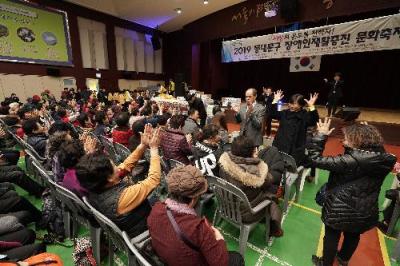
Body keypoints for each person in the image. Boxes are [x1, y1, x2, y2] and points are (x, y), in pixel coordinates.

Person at [308, 119, 397, 266]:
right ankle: (343, 259)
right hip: (365, 208)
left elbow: (314, 159)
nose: (344, 140)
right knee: (353, 235)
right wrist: (368, 134)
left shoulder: (350, 160)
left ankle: (325, 263)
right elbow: (375, 151)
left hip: (340, 206)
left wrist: (321, 136)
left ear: (358, 141)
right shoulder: (383, 159)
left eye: (348, 138)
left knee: (331, 236)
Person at [147, 165, 244, 266]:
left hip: (168, 260)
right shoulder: (198, 228)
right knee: (237, 258)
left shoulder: (156, 209)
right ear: (193, 199)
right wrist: (220, 240)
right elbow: (221, 263)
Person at [76, 125, 161, 238]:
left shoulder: (95, 183)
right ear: (109, 178)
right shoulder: (122, 198)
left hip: (130, 220)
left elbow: (126, 165)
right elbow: (153, 180)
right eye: (114, 166)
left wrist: (143, 145)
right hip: (144, 231)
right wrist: (154, 149)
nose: (118, 166)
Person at [219, 136, 283, 237]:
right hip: (246, 214)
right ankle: (275, 227)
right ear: (253, 151)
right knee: (271, 199)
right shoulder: (257, 172)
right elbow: (269, 181)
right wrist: (257, 159)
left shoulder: (224, 162)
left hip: (225, 205)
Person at [271, 90, 319, 165]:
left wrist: (311, 106)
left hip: (295, 149)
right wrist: (275, 101)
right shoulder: (285, 113)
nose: (291, 105)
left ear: (301, 105)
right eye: (290, 103)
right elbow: (272, 114)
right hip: (280, 146)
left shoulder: (304, 115)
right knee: (275, 165)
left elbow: (313, 121)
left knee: (292, 170)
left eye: (294, 104)